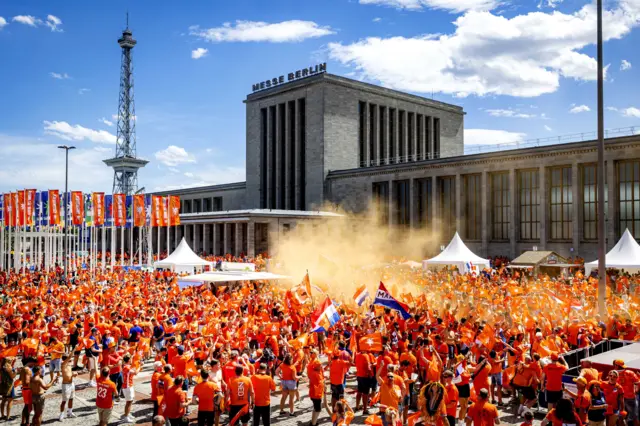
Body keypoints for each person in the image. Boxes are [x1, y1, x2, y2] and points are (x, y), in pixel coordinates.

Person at [613, 359, 640, 426]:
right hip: (631, 397)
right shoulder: (630, 373)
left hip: (619, 398)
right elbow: (638, 382)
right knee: (635, 417)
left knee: (620, 417)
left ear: (616, 366)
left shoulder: (613, 374)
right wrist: (636, 390)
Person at [307, 349, 326, 426]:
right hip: (316, 393)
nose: (321, 367)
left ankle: (313, 422)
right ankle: (313, 424)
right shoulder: (317, 374)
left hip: (312, 392)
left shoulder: (311, 370)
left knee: (315, 408)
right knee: (318, 409)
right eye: (320, 365)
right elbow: (321, 382)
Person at [59, 354, 78, 421]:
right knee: (64, 401)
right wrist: (75, 348)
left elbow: (70, 373)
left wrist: (74, 374)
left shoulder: (69, 365)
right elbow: (70, 356)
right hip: (66, 385)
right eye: (69, 358)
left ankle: (70, 412)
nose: (70, 359)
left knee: (71, 398)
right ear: (66, 359)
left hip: (71, 384)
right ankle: (61, 414)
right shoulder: (63, 365)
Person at [121, 354, 139, 423]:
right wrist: (140, 367)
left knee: (129, 401)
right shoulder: (127, 367)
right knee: (129, 402)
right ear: (129, 360)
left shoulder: (126, 366)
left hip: (128, 386)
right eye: (131, 359)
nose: (132, 360)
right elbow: (135, 373)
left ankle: (127, 414)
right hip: (128, 386)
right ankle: (126, 417)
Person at [19, 357, 35, 426]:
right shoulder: (27, 369)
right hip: (28, 389)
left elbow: (20, 379)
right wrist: (34, 381)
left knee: (26, 406)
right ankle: (27, 423)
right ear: (30, 362)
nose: (34, 365)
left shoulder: (23, 368)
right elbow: (26, 381)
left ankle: (23, 422)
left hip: (25, 389)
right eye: (33, 363)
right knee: (28, 407)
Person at [0, 357, 16, 421]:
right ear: (8, 360)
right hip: (9, 385)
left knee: (3, 400)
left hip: (3, 385)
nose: (12, 359)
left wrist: (13, 363)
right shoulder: (8, 367)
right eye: (11, 359)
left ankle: (2, 415)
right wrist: (16, 372)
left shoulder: (2, 366)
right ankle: (8, 416)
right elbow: (12, 376)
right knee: (10, 400)